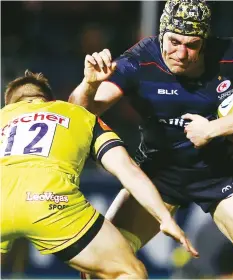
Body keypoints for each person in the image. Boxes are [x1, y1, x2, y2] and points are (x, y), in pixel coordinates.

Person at [69, 0, 233, 278]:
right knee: (98, 269)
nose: (181, 52)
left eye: (191, 45)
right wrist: (89, 84)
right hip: (158, 175)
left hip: (221, 173)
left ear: (205, 42)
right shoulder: (137, 61)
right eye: (174, 42)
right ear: (161, 34)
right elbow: (79, 113)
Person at [0, 50, 198, 279]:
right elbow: (127, 170)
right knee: (129, 272)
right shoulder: (77, 115)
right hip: (50, 201)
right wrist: (164, 218)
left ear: (10, 105)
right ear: (49, 101)